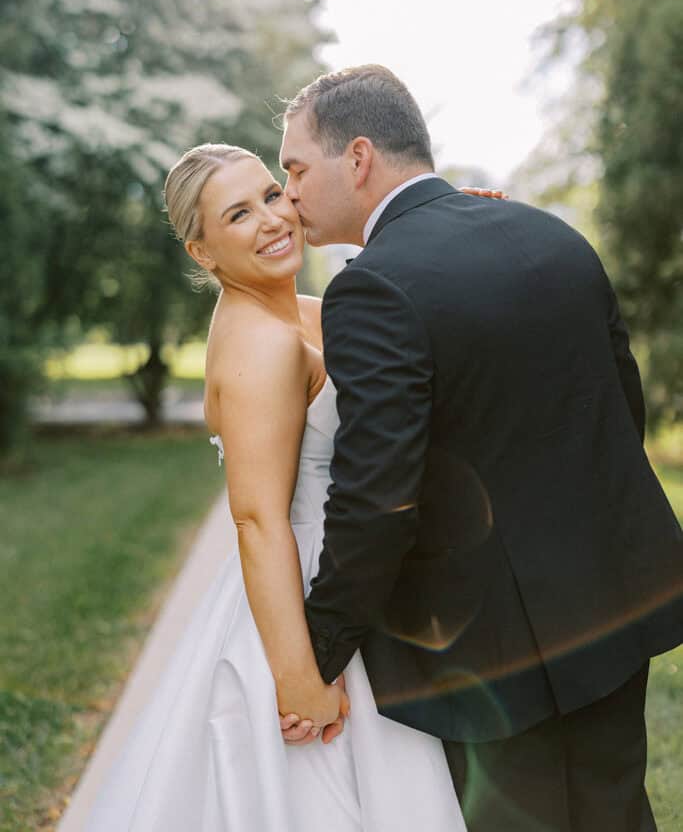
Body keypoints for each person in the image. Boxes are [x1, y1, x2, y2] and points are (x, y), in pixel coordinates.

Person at [276, 64, 683, 832]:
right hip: (611, 598)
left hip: (484, 646)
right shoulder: (548, 234)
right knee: (615, 812)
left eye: (296, 168)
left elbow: (375, 497)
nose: (289, 192)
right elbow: (615, 413)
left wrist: (319, 650)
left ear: (357, 158)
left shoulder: (374, 287)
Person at [84, 140, 505, 830]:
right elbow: (255, 519)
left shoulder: (312, 310)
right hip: (306, 594)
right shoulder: (259, 342)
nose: (272, 219)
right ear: (203, 252)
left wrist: (450, 231)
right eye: (238, 215)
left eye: (272, 195)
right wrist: (298, 678)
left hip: (351, 572)